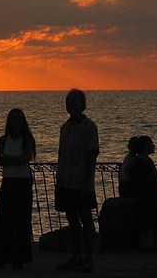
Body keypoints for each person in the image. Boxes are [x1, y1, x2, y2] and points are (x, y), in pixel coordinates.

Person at [0, 108, 36, 270]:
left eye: (19, 118)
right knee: (2, 220)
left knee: (21, 220)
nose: (16, 121)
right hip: (8, 182)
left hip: (23, 183)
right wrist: (13, 160)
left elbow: (25, 158)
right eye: (13, 118)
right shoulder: (3, 140)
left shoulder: (27, 139)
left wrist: (8, 160)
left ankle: (19, 258)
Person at [54, 88, 99, 273]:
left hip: (81, 181)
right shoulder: (65, 127)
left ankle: (89, 258)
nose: (69, 104)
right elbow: (61, 153)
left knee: (86, 219)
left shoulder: (89, 127)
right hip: (65, 180)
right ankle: (76, 256)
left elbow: (92, 155)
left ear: (82, 104)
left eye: (73, 101)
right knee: (72, 218)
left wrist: (86, 181)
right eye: (68, 101)